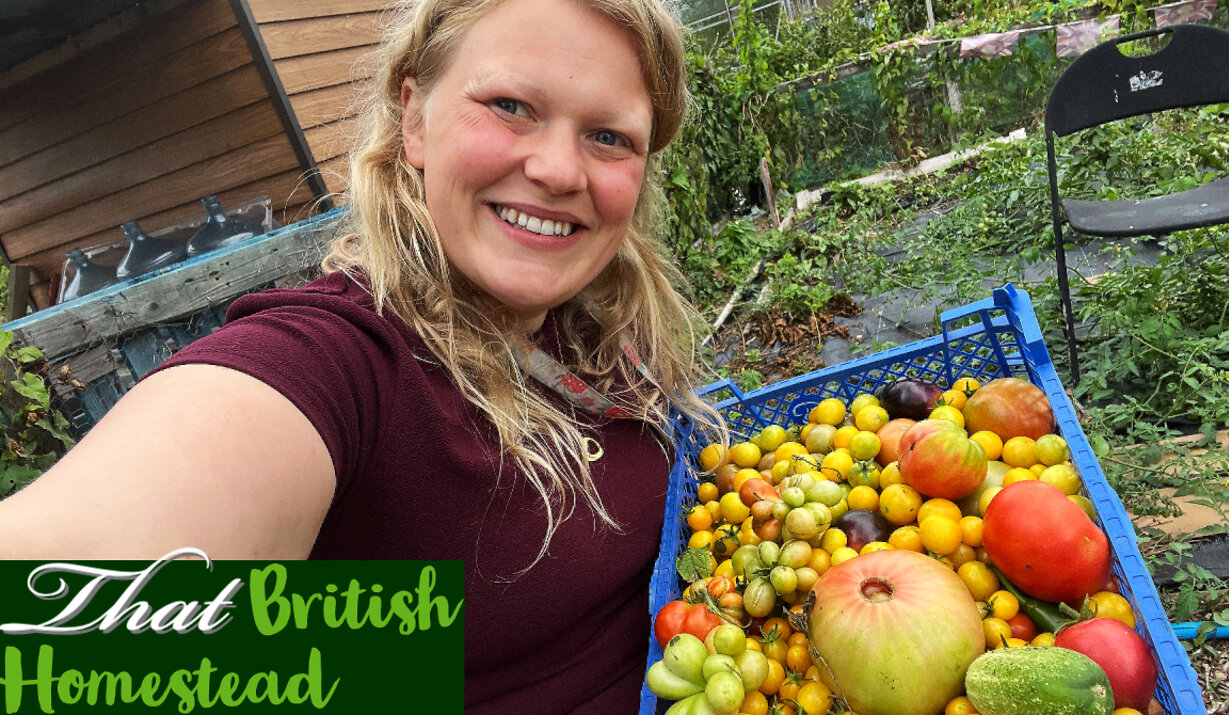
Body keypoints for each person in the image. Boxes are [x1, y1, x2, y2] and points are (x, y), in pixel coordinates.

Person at [0, 0, 725, 710]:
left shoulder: (590, 326)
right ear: (415, 118)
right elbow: (42, 632)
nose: (561, 169)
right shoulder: (347, 365)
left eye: (608, 136)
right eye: (510, 105)